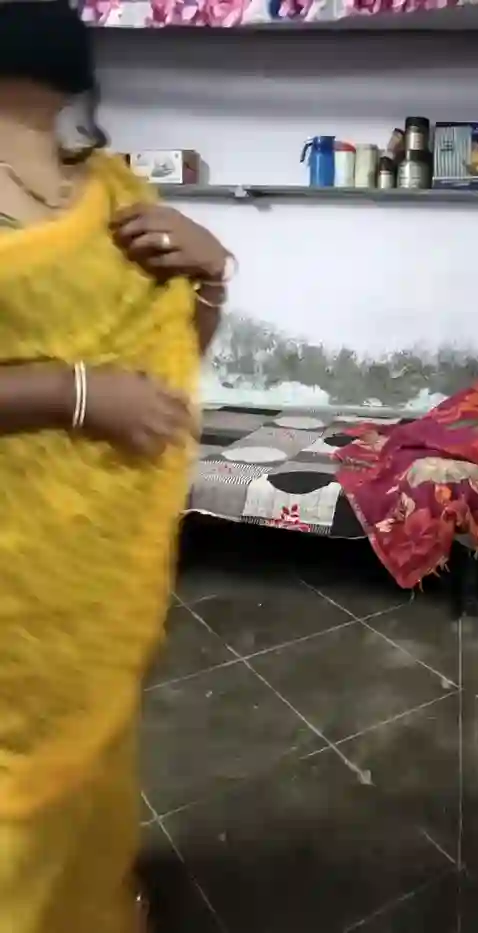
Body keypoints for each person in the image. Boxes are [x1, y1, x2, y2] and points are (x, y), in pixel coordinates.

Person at [0, 2, 232, 931]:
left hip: (88, 562)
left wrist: (213, 275)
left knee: (92, 749)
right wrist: (77, 394)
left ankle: (85, 902)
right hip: (9, 556)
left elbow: (167, 357)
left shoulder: (108, 189)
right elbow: (109, 387)